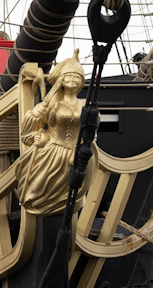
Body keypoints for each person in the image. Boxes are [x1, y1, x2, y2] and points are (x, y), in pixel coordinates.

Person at [15, 50, 96, 216]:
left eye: (76, 77)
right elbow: (31, 124)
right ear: (62, 80)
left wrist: (83, 149)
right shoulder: (52, 104)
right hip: (52, 152)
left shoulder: (85, 106)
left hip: (77, 154)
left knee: (74, 193)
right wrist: (39, 137)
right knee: (36, 190)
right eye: (68, 76)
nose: (72, 80)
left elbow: (91, 132)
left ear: (81, 81)